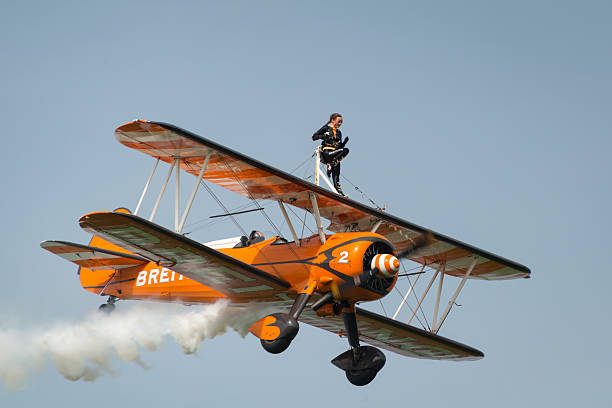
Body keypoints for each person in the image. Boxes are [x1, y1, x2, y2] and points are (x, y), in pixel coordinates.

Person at [312, 113, 350, 196]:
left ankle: (339, 193)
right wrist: (324, 136)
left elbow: (338, 147)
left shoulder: (339, 132)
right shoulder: (326, 128)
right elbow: (313, 137)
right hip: (327, 153)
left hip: (335, 156)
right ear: (333, 120)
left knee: (336, 175)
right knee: (346, 150)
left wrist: (343, 143)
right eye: (339, 121)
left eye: (341, 122)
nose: (340, 124)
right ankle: (331, 165)